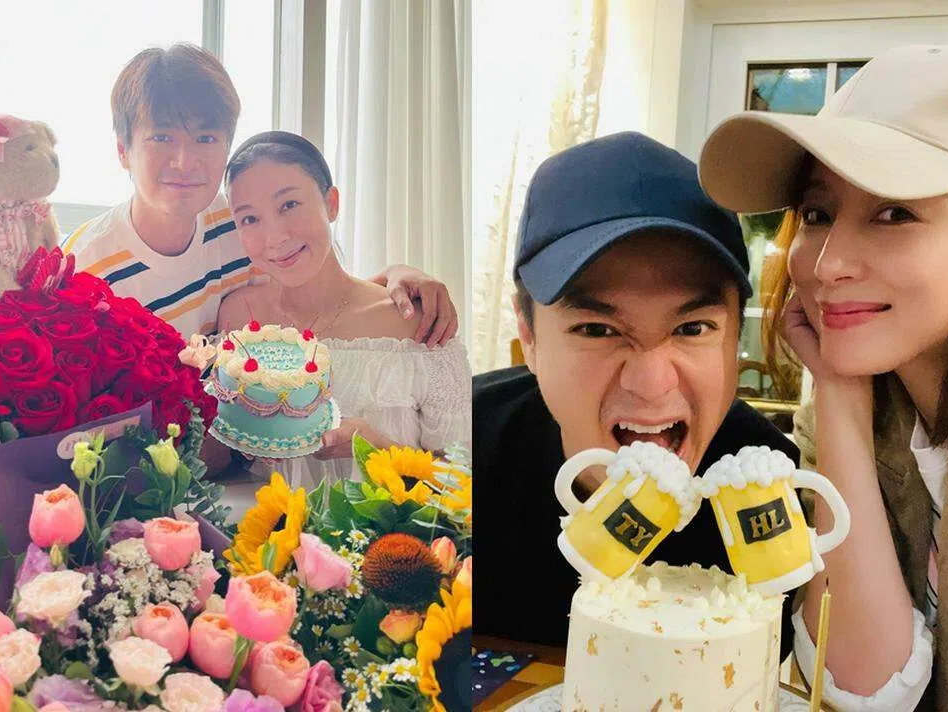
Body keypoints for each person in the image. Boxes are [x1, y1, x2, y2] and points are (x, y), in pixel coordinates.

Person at [699, 44, 948, 711]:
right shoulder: (848, 408)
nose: (828, 265)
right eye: (818, 214)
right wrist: (838, 392)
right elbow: (862, 686)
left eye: (894, 213)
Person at [473, 131, 800, 651]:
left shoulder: (768, 490)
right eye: (597, 330)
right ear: (528, 336)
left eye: (692, 328)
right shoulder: (457, 452)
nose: (651, 385)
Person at [62, 43, 458, 346]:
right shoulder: (84, 267)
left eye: (205, 138)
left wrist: (397, 276)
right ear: (123, 151)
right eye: (162, 138)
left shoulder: (240, 222)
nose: (184, 161)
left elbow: (316, 291)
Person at [216, 131, 472, 490]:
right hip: (269, 521)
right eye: (249, 219)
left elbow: (464, 482)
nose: (274, 237)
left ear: (331, 204)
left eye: (289, 205)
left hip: (393, 524)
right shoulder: (238, 319)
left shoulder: (415, 323)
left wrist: (377, 448)